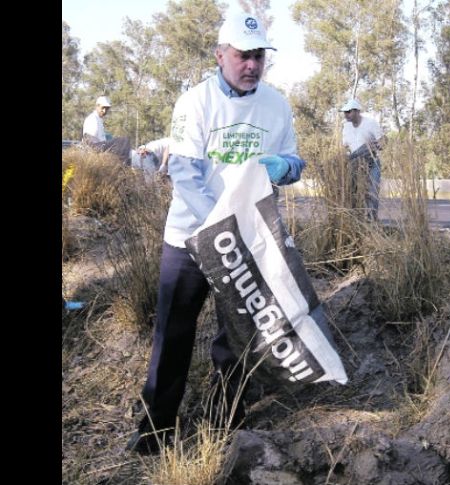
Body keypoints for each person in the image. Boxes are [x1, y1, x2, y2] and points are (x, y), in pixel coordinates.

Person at [127, 12, 307, 455]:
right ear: (220, 55)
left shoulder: (276, 105)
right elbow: (186, 176)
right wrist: (220, 230)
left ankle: (225, 423)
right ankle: (155, 430)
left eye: (259, 56)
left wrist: (286, 168)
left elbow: (293, 161)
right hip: (189, 240)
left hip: (249, 239)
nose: (252, 65)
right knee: (172, 334)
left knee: (237, 337)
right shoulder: (195, 102)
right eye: (243, 55)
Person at [340, 99, 385, 220]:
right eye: (345, 112)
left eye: (348, 112)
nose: (346, 114)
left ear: (357, 111)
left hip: (371, 161)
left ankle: (372, 220)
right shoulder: (346, 127)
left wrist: (376, 146)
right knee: (353, 191)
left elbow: (383, 140)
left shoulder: (370, 123)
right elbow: (344, 146)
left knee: (372, 191)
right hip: (355, 162)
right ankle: (356, 219)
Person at [82, 96, 132, 165]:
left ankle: (121, 164)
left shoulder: (99, 119)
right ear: (97, 106)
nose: (104, 111)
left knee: (122, 144)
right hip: (94, 147)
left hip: (100, 146)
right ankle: (124, 166)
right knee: (124, 141)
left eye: (107, 109)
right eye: (103, 108)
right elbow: (88, 140)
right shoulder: (92, 118)